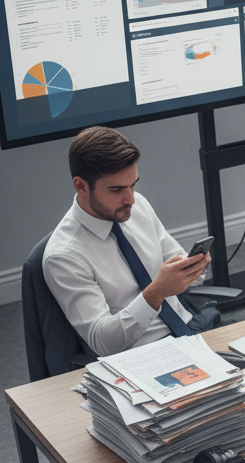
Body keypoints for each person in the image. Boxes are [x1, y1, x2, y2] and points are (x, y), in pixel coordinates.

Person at [43, 126, 212, 357]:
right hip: (140, 355)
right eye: (116, 189)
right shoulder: (64, 256)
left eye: (133, 184)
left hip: (190, 328)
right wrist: (155, 293)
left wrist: (191, 267)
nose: (130, 198)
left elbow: (173, 255)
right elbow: (101, 342)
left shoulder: (137, 205)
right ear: (81, 186)